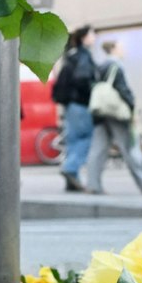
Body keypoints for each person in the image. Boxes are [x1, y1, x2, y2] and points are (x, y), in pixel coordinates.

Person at [84, 40, 142, 195]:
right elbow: (123, 90)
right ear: (113, 49)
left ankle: (93, 184)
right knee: (130, 146)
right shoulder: (116, 66)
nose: (123, 50)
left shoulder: (100, 67)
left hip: (101, 113)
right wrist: (132, 108)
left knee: (98, 148)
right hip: (116, 113)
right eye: (121, 47)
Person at [51, 25, 97, 191]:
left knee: (73, 141)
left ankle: (72, 182)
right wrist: (93, 90)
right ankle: (70, 168)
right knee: (86, 138)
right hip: (81, 103)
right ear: (84, 38)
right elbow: (83, 79)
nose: (94, 37)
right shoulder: (83, 56)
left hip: (70, 105)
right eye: (92, 34)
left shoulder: (71, 56)